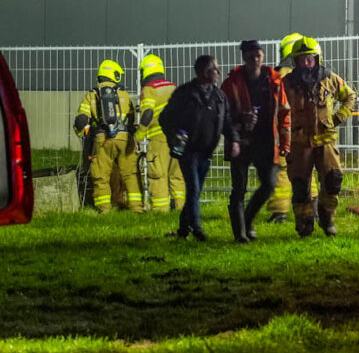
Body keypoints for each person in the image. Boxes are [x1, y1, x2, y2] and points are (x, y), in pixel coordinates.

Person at [283, 36, 356, 237]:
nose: (307, 63)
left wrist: (339, 117)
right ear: (295, 61)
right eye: (302, 59)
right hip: (299, 142)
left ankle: (327, 218)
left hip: (326, 140)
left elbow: (350, 96)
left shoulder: (329, 78)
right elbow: (277, 109)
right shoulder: (287, 83)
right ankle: (305, 223)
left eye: (310, 58)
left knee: (333, 180)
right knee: (300, 187)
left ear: (317, 58)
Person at [159, 54, 237, 242]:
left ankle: (183, 228)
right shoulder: (185, 94)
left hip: (206, 151)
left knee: (195, 191)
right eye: (214, 69)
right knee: (193, 188)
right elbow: (165, 118)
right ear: (204, 72)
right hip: (189, 151)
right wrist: (175, 137)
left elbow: (226, 121)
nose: (218, 72)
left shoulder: (219, 97)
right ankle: (197, 227)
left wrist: (234, 139)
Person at [222, 39, 291, 243]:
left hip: (266, 142)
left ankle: (247, 219)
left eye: (258, 55)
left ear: (263, 56)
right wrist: (240, 119)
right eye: (251, 56)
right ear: (244, 57)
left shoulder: (274, 80)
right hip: (240, 141)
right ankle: (240, 233)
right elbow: (222, 114)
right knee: (239, 189)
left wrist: (285, 142)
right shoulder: (232, 83)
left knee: (269, 184)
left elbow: (284, 113)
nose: (255, 59)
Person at [73, 60, 137, 213]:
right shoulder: (124, 94)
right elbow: (131, 118)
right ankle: (133, 207)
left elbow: (81, 119)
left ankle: (104, 209)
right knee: (128, 173)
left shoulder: (92, 94)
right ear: (114, 75)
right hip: (124, 139)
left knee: (101, 176)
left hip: (102, 139)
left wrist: (84, 133)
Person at [265, 32, 306, 224]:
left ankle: (279, 212)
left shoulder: (276, 77)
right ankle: (311, 207)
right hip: (303, 131)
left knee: (280, 169)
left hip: (281, 132)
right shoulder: (306, 76)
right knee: (305, 169)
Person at [136, 54, 181, 212]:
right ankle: (181, 209)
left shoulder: (150, 89)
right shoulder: (174, 87)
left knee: (158, 175)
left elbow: (147, 114)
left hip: (159, 139)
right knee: (177, 176)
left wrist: (138, 135)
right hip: (180, 139)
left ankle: (161, 211)